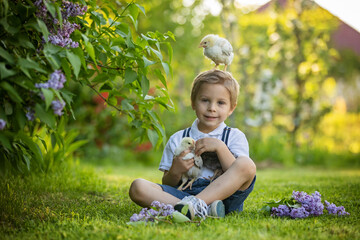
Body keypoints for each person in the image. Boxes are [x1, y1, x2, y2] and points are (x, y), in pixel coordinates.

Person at [129, 69, 256, 219]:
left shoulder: (235, 136)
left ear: (231, 108)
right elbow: (168, 184)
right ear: (193, 102)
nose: (212, 108)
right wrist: (176, 170)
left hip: (224, 199)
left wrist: (220, 148)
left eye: (220, 103)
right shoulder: (178, 138)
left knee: (247, 164)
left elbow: (237, 174)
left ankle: (192, 206)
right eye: (205, 100)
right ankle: (197, 210)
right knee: (138, 187)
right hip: (183, 194)